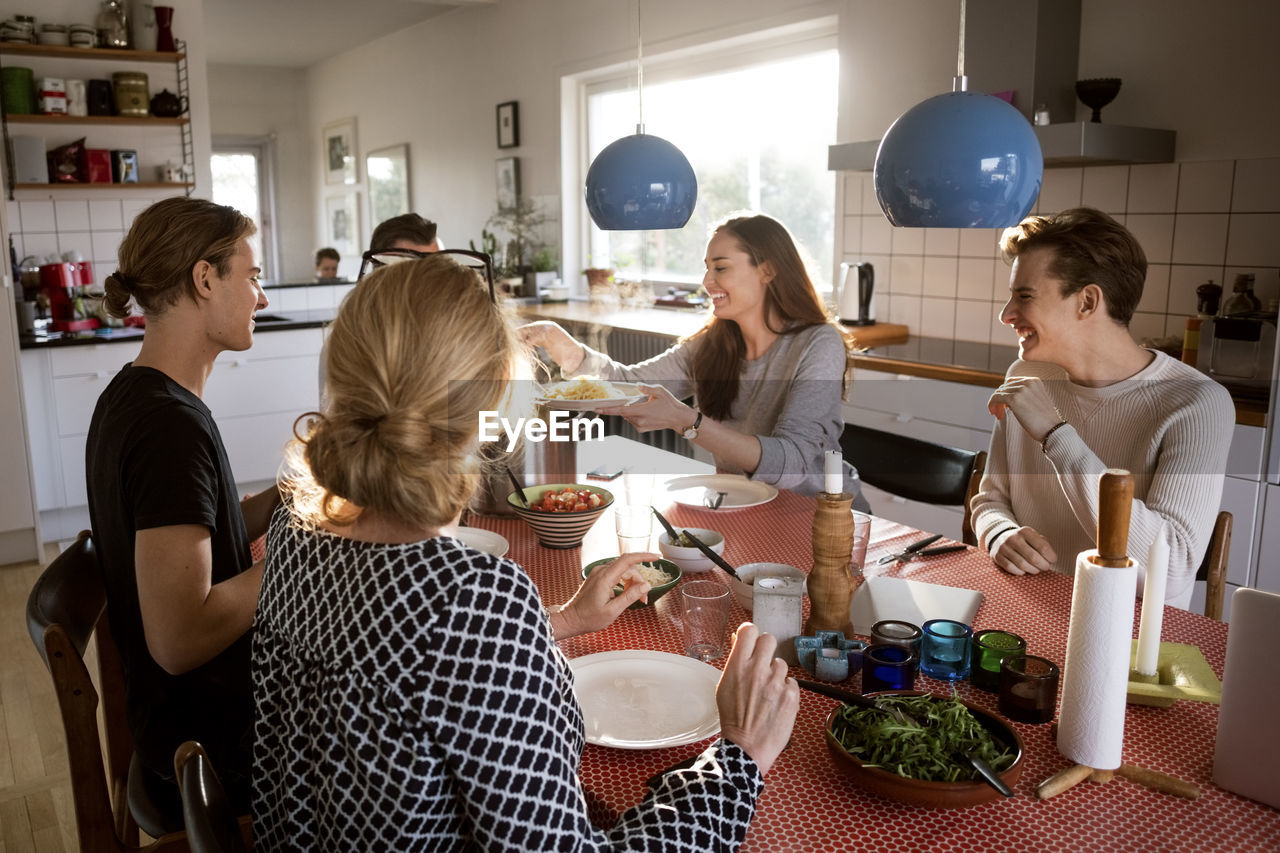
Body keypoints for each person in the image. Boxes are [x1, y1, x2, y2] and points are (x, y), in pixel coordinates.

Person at [251, 255, 798, 848]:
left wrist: (559, 622)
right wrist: (737, 761)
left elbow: (410, 665)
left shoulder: (290, 534)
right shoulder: (475, 600)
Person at [86, 197, 280, 812]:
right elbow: (178, 636)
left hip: (181, 731)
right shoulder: (169, 428)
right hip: (210, 757)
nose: (262, 297)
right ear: (204, 279)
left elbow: (207, 533)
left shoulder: (136, 395)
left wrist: (299, 496)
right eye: (251, 277)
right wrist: (304, 562)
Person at [971, 207, 1233, 608]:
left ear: (1088, 301)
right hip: (1026, 609)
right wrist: (999, 534)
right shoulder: (1026, 373)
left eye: (1024, 296)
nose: (1006, 314)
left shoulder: (1196, 403)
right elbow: (991, 500)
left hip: (1125, 640)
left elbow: (1173, 571)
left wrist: (1056, 435)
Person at [521, 213, 866, 503]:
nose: (706, 281)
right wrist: (565, 348)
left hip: (818, 517)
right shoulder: (713, 344)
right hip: (740, 504)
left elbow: (793, 464)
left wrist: (687, 421)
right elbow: (629, 386)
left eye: (721, 268)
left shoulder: (818, 344)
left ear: (768, 271)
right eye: (706, 268)